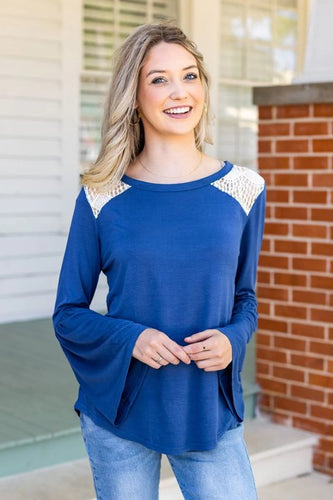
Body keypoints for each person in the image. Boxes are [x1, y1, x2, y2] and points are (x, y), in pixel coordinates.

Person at [53, 21, 265, 500]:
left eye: (190, 76)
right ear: (135, 94)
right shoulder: (101, 195)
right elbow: (68, 314)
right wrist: (133, 337)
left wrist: (233, 339)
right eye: (159, 78)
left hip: (207, 409)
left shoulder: (245, 189)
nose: (179, 91)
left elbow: (245, 297)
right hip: (121, 409)